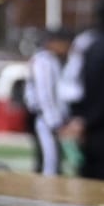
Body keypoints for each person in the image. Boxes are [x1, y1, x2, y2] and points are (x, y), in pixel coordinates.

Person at [63, 0, 104, 179]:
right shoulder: (98, 47)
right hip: (100, 129)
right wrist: (85, 120)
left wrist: (82, 118)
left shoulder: (95, 45)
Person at [23, 30, 71, 175]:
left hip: (50, 117)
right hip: (43, 117)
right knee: (49, 161)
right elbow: (44, 93)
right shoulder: (43, 61)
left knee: (53, 160)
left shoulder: (52, 60)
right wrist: (53, 121)